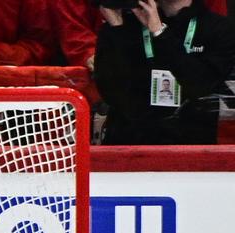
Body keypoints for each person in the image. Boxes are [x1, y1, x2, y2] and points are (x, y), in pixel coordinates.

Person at [94, 0, 235, 144]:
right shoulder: (123, 26)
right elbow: (112, 92)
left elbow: (199, 84)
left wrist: (160, 33)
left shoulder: (219, 28)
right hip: (128, 145)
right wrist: (118, 31)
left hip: (189, 147)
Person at [53, 0, 225, 70]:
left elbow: (213, 27)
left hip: (177, 56)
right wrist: (89, 51)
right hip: (114, 61)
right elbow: (73, 28)